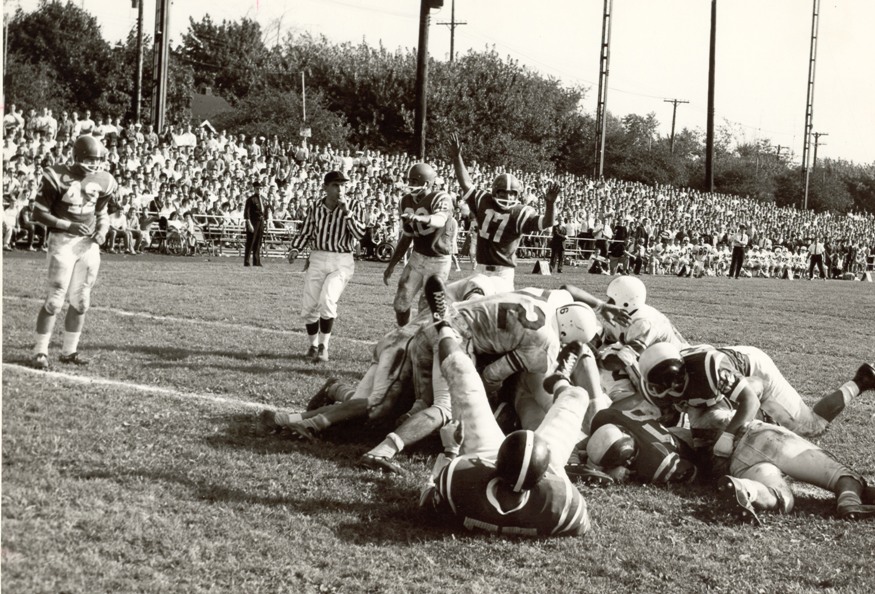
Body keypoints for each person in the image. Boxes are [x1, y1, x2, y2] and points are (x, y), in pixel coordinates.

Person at [358, 276, 604, 473]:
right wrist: (482, 399)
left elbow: (566, 290)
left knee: (424, 403)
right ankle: (382, 450)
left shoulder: (548, 299)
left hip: (440, 323)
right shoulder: (545, 345)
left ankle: (394, 429)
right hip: (456, 339)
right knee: (445, 408)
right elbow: (491, 375)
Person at [417, 315, 595, 536]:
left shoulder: (460, 481)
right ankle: (560, 379)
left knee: (460, 369)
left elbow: (426, 503)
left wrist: (450, 450)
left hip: (484, 454)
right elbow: (583, 527)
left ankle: (442, 322)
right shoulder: (564, 503)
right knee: (578, 396)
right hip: (551, 468)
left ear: (496, 464)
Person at [685, 399, 875, 523]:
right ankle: (849, 502)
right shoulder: (710, 380)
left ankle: (746, 489)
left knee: (782, 499)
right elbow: (750, 392)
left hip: (734, 463)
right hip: (761, 437)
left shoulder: (678, 412)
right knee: (843, 475)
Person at [638, 342, 875, 439]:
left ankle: (861, 381)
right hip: (718, 384)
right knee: (706, 427)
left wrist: (728, 437)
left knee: (810, 427)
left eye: (679, 381)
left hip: (754, 370)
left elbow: (749, 399)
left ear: (683, 369)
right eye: (667, 387)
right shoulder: (651, 386)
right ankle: (764, 420)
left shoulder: (709, 369)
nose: (675, 388)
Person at [30, 135, 116, 369]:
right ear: (77, 156)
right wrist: (69, 225)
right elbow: (38, 214)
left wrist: (102, 231)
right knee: (55, 299)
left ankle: (69, 351)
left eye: (98, 159)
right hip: (63, 241)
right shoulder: (55, 174)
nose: (95, 164)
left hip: (88, 244)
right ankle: (40, 351)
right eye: (90, 159)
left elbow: (102, 212)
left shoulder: (105, 180)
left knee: (81, 300)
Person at [449, 132, 559, 292]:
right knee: (462, 302)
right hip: (480, 269)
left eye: (512, 193)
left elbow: (547, 223)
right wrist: (457, 157)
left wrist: (550, 204)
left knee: (489, 308)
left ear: (518, 194)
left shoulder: (520, 212)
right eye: (503, 192)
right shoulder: (484, 201)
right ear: (494, 192)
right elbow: (466, 183)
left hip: (503, 273)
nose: (507, 196)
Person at [289, 170, 367, 362]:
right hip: (318, 256)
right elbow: (306, 230)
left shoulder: (355, 205)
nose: (340, 189)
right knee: (309, 307)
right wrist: (295, 249)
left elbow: (360, 234)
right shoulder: (316, 206)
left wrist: (347, 212)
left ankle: (324, 346)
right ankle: (313, 346)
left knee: (328, 299)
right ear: (325, 187)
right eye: (335, 185)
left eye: (343, 185)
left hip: (342, 259)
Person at [382, 162, 455, 326]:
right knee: (400, 304)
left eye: (414, 181)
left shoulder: (441, 197)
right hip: (417, 257)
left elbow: (439, 219)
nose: (410, 185)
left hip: (439, 260)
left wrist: (420, 218)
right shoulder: (405, 201)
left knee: (426, 308)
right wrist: (391, 265)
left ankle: (428, 341)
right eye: (410, 181)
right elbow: (407, 236)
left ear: (427, 183)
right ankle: (404, 334)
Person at [243, 179, 267, 267]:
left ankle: (256, 261)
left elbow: (265, 211)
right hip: (253, 222)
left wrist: (265, 222)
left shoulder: (263, 199)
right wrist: (249, 224)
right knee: (250, 241)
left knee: (258, 242)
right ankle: (247, 261)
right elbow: (247, 213)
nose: (259, 190)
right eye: (257, 188)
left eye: (260, 188)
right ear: (254, 189)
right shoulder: (251, 199)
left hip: (261, 221)